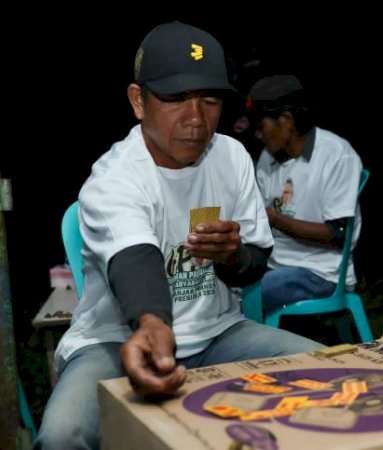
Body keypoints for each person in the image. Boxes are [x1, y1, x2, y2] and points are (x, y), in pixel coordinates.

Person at [35, 22, 322, 449]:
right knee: (62, 435)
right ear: (138, 101)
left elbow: (254, 266)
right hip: (117, 342)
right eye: (174, 99)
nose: (195, 119)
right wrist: (152, 323)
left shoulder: (232, 157)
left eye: (210, 101)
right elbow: (134, 258)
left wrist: (233, 256)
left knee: (328, 380)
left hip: (219, 335)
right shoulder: (114, 178)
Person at [244, 75, 364, 313]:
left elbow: (338, 235)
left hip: (319, 272)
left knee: (244, 299)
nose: (257, 134)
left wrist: (275, 219)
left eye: (261, 126)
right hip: (275, 265)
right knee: (222, 288)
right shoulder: (268, 158)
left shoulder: (336, 155)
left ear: (286, 120)